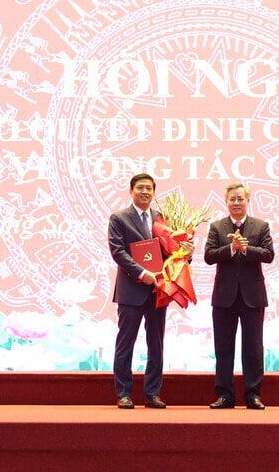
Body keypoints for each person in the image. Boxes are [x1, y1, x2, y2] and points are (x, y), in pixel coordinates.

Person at [204, 182, 274, 410]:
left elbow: (269, 255)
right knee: (223, 348)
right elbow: (209, 256)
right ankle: (225, 395)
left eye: (240, 199)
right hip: (224, 297)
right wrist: (231, 249)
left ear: (248, 201)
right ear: (226, 201)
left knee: (253, 347)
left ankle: (253, 395)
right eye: (232, 199)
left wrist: (246, 250)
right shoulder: (216, 227)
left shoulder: (261, 226)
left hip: (252, 297)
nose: (236, 203)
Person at [107, 173, 168, 409]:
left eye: (149, 188)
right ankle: (124, 393)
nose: (145, 192)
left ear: (154, 192)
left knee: (157, 344)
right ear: (131, 191)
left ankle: (152, 394)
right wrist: (143, 273)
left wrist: (185, 252)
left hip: (157, 291)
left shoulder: (162, 219)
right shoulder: (119, 218)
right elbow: (118, 251)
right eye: (140, 188)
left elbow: (170, 252)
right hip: (131, 291)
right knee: (126, 343)